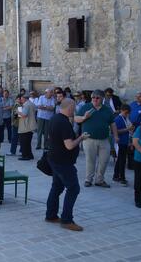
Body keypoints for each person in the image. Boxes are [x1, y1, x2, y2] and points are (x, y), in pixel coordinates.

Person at [46, 98, 89, 231]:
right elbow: (69, 145)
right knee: (73, 188)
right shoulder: (63, 122)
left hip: (54, 158)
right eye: (74, 108)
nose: (74, 110)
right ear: (69, 107)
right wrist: (81, 138)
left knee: (57, 187)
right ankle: (66, 220)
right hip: (63, 162)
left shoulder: (55, 118)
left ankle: (51, 215)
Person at [75, 89, 118, 188]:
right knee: (90, 160)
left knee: (104, 160)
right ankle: (88, 179)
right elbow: (76, 118)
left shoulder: (107, 109)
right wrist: (84, 117)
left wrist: (116, 136)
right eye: (93, 97)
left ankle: (99, 180)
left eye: (97, 97)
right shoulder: (86, 107)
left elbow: (113, 124)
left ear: (102, 98)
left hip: (104, 139)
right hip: (89, 139)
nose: (95, 99)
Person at [113, 104, 133, 186]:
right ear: (122, 111)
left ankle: (116, 176)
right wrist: (128, 129)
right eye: (126, 112)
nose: (127, 114)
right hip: (120, 142)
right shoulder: (118, 119)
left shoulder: (125, 118)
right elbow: (115, 131)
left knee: (120, 160)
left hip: (124, 142)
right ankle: (122, 178)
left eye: (128, 113)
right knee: (122, 160)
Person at [17, 94, 37, 160]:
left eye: (22, 99)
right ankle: (30, 155)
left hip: (26, 126)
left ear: (25, 99)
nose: (21, 101)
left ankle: (25, 156)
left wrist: (18, 112)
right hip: (31, 126)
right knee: (28, 142)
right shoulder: (32, 104)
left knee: (24, 142)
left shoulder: (26, 105)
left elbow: (24, 115)